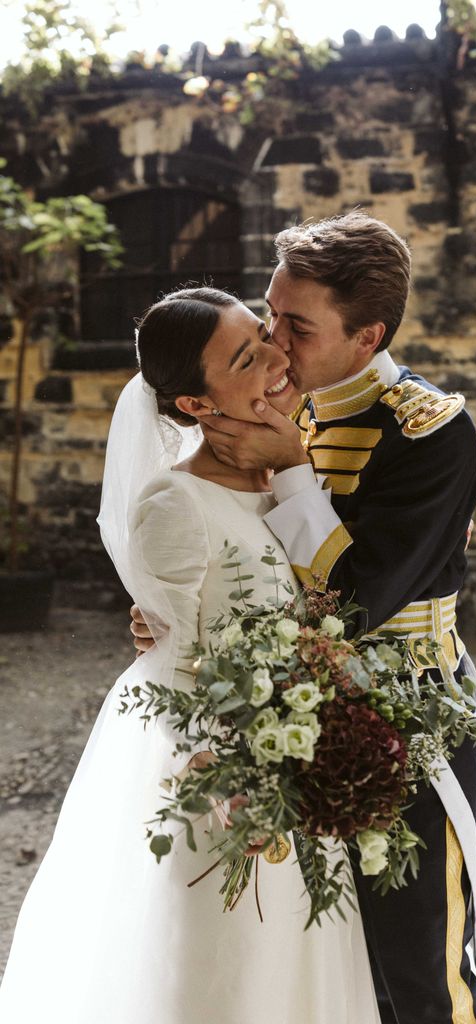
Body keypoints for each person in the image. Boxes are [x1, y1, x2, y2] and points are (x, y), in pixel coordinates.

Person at [133, 213, 476, 1024]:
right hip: (284, 716)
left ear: (367, 335)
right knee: (327, 966)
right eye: (268, 315)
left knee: (420, 966)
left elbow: (358, 601)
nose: (275, 344)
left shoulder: (428, 431)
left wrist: (295, 471)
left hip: (408, 714)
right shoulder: (275, 400)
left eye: (296, 326)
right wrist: (179, 615)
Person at [0, 288, 382, 1024]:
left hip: (297, 775)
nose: (276, 356)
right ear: (197, 406)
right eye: (246, 358)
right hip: (228, 794)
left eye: (263, 335)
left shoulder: (286, 477)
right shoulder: (175, 504)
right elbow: (176, 662)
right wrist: (248, 781)